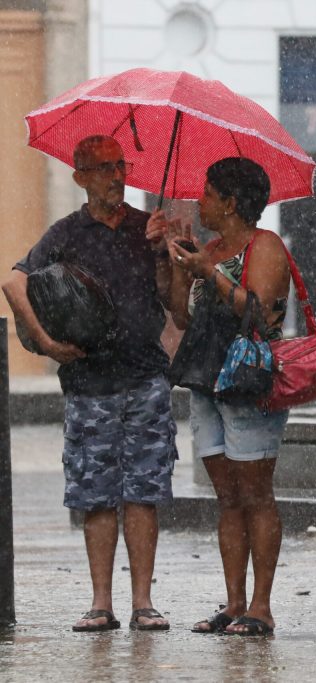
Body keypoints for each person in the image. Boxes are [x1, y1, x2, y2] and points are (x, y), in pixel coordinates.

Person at [2, 135, 176, 632]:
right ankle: (102, 603)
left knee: (143, 492)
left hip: (145, 378)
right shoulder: (66, 233)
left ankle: (143, 603)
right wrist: (46, 343)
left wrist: (163, 254)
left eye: (121, 166)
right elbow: (14, 282)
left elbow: (170, 300)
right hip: (89, 383)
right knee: (96, 496)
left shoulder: (146, 228)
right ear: (80, 177)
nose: (116, 176)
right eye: (104, 168)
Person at [162, 157, 291, 635]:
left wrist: (210, 272)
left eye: (208, 194)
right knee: (228, 497)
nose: (200, 202)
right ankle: (234, 603)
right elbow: (183, 317)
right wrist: (180, 267)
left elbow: (259, 313)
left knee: (256, 494)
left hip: (249, 384)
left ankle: (261, 606)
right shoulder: (211, 248)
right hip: (208, 382)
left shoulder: (265, 246)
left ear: (231, 203)